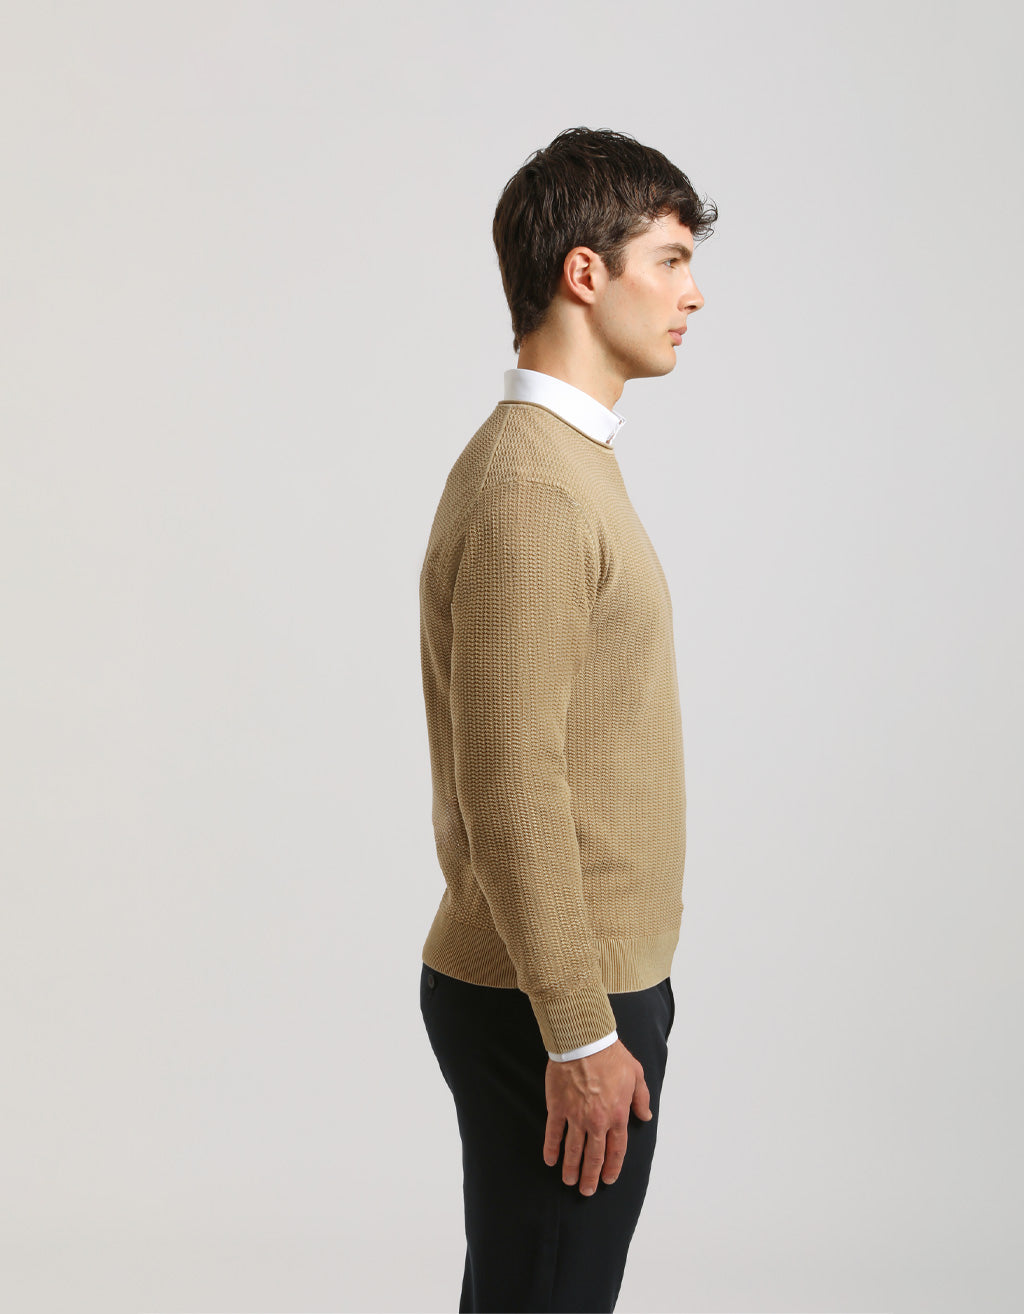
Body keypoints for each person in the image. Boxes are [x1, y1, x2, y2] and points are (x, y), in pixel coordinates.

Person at [417, 125, 717, 1313]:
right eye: (670, 259)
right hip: (553, 998)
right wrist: (581, 1034)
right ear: (584, 273)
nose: (692, 294)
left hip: (574, 985)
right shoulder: (533, 487)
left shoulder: (565, 461)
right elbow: (507, 773)